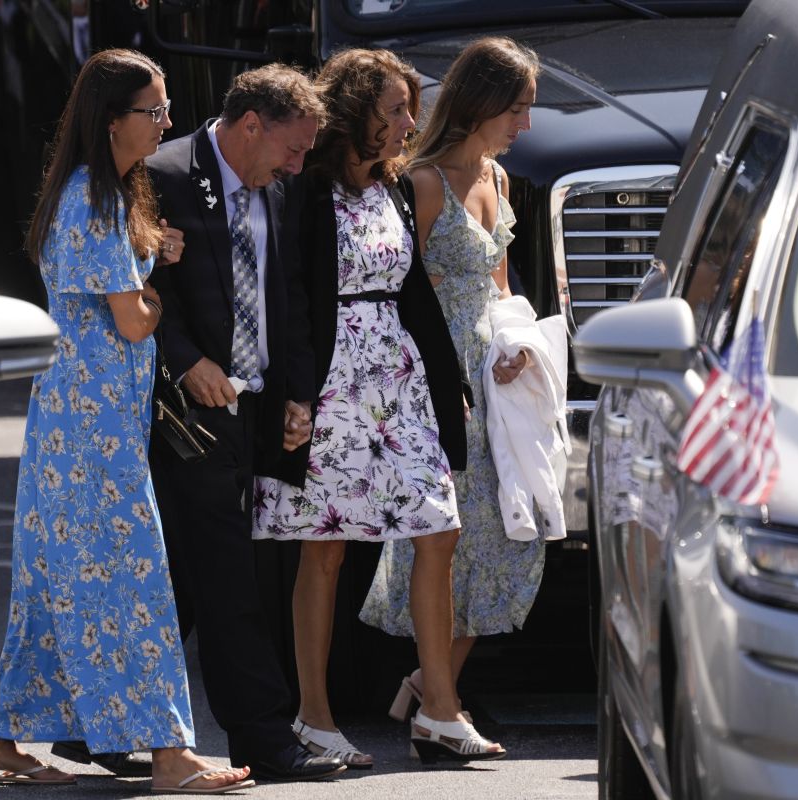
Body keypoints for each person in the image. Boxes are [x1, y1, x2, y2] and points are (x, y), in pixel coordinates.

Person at [0, 48, 252, 794]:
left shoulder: (93, 195)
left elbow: (109, 286)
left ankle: (1, 738)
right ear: (112, 121)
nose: (166, 123)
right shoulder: (95, 199)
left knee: (53, 583)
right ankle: (168, 755)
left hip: (74, 425)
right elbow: (135, 323)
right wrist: (156, 289)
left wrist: (147, 254)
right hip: (92, 435)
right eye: (154, 110)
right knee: (134, 585)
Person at [252, 48, 504, 767]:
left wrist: (447, 378)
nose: (408, 123)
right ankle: (314, 715)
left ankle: (440, 711)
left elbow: (414, 293)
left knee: (439, 526)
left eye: (409, 109)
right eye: (395, 108)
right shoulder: (304, 190)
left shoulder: (395, 189)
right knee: (324, 552)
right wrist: (295, 396)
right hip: (329, 385)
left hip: (397, 383)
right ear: (357, 110)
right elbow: (292, 298)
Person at [144, 65, 347, 782]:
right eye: (292, 149)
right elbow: (139, 286)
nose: (299, 165)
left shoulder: (280, 186)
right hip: (187, 408)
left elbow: (286, 291)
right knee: (231, 574)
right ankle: (264, 734)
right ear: (250, 124)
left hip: (257, 405)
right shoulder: (164, 174)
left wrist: (298, 395)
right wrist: (185, 359)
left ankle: (93, 729)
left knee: (195, 575)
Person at [357, 36, 542, 731]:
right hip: (437, 380)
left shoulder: (495, 179)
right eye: (517, 109)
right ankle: (438, 697)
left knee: (506, 539)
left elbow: (498, 290)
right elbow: (407, 293)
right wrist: (446, 376)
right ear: (483, 103)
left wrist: (514, 352)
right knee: (446, 540)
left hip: (496, 382)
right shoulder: (423, 182)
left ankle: (425, 682)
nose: (524, 126)